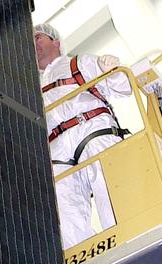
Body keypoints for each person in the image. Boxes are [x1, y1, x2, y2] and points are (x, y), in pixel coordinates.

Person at [34, 22, 132, 250]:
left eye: (38, 37)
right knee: (62, 203)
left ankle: (123, 241)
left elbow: (124, 86)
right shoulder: (32, 87)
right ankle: (83, 256)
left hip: (91, 129)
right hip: (57, 147)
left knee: (106, 186)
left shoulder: (77, 63)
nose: (33, 44)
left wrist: (108, 68)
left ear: (55, 42)